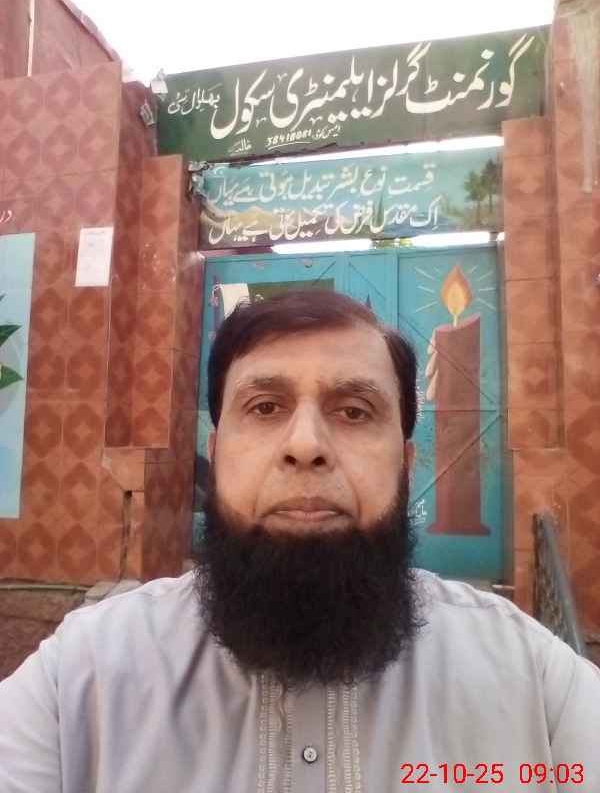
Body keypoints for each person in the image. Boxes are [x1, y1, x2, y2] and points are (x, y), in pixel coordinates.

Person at [0, 288, 598, 793]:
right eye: (265, 407)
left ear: (406, 464)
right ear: (215, 455)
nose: (306, 444)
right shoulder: (81, 677)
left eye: (354, 411)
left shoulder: (531, 680)